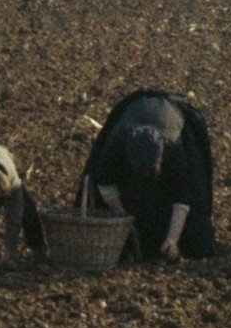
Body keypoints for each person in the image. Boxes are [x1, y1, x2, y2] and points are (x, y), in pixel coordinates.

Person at [79, 89, 215, 260]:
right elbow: (105, 183)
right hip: (133, 114)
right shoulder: (116, 144)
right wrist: (124, 220)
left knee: (198, 242)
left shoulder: (173, 147)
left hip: (171, 117)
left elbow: (182, 197)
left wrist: (172, 239)